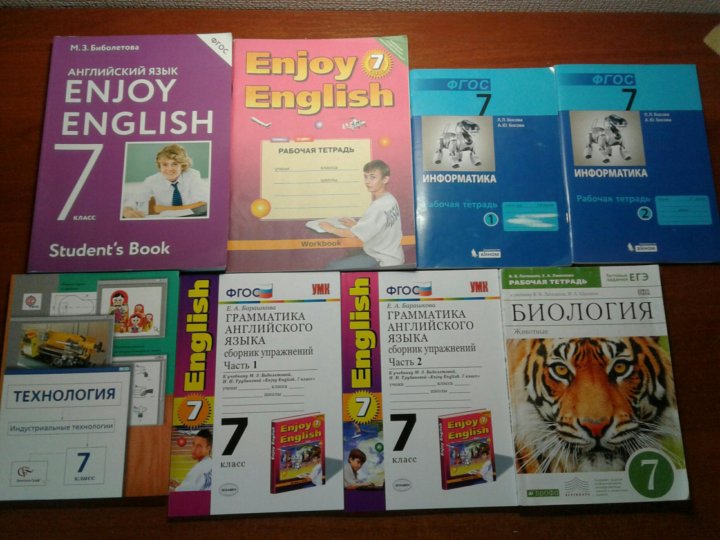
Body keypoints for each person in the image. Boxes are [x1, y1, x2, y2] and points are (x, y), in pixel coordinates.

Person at [320, 160, 404, 269]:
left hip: (382, 259)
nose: (367, 181)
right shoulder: (390, 199)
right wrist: (356, 225)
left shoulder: (378, 206)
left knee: (331, 266)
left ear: (385, 179)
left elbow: (353, 235)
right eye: (366, 177)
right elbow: (378, 226)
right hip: (393, 255)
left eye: (372, 177)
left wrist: (331, 229)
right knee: (350, 254)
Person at [123, 144, 208, 218]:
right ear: (159, 166)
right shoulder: (151, 180)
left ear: (182, 166)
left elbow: (202, 204)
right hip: (167, 220)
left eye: (174, 164)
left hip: (190, 218)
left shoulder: (192, 175)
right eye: (165, 164)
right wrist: (127, 210)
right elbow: (133, 201)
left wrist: (165, 208)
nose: (169, 169)